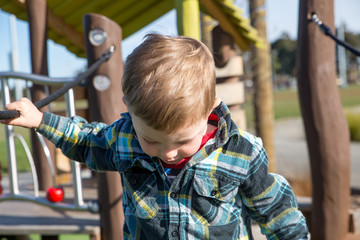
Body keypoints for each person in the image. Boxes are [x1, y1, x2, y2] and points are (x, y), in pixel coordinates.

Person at [1, 34, 308, 239]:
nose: (168, 154)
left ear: (210, 109)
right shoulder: (126, 139)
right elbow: (86, 141)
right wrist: (41, 120)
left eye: (181, 142)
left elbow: (277, 211)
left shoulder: (241, 153)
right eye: (152, 140)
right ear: (129, 112)